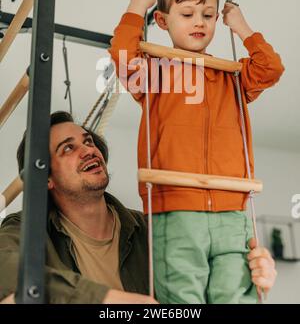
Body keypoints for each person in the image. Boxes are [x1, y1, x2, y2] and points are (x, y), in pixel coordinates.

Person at [109, 0, 284, 304]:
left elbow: (271, 68)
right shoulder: (158, 71)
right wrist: (136, 7)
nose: (199, 22)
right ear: (161, 21)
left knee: (237, 297)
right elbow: (122, 58)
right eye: (187, 14)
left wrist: (243, 27)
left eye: (208, 15)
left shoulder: (232, 77)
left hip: (232, 211)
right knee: (183, 300)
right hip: (175, 209)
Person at [0, 112, 277, 304]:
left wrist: (250, 278)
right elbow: (5, 269)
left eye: (87, 141)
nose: (88, 150)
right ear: (45, 177)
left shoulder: (153, 228)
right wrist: (107, 300)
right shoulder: (26, 228)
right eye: (67, 149)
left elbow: (198, 290)